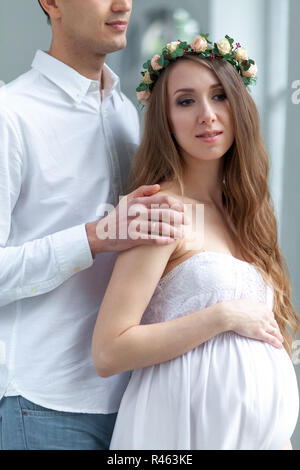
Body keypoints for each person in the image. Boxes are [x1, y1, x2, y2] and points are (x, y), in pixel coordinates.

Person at [0, 0, 193, 451]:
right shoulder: (10, 114)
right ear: (51, 3)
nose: (123, 3)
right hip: (43, 406)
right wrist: (94, 237)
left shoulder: (127, 112)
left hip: (134, 403)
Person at [91, 34, 300, 450]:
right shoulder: (160, 209)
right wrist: (221, 317)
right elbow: (109, 350)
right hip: (174, 434)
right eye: (186, 101)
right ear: (165, 119)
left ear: (239, 105)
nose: (207, 115)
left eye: (219, 96)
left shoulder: (249, 216)